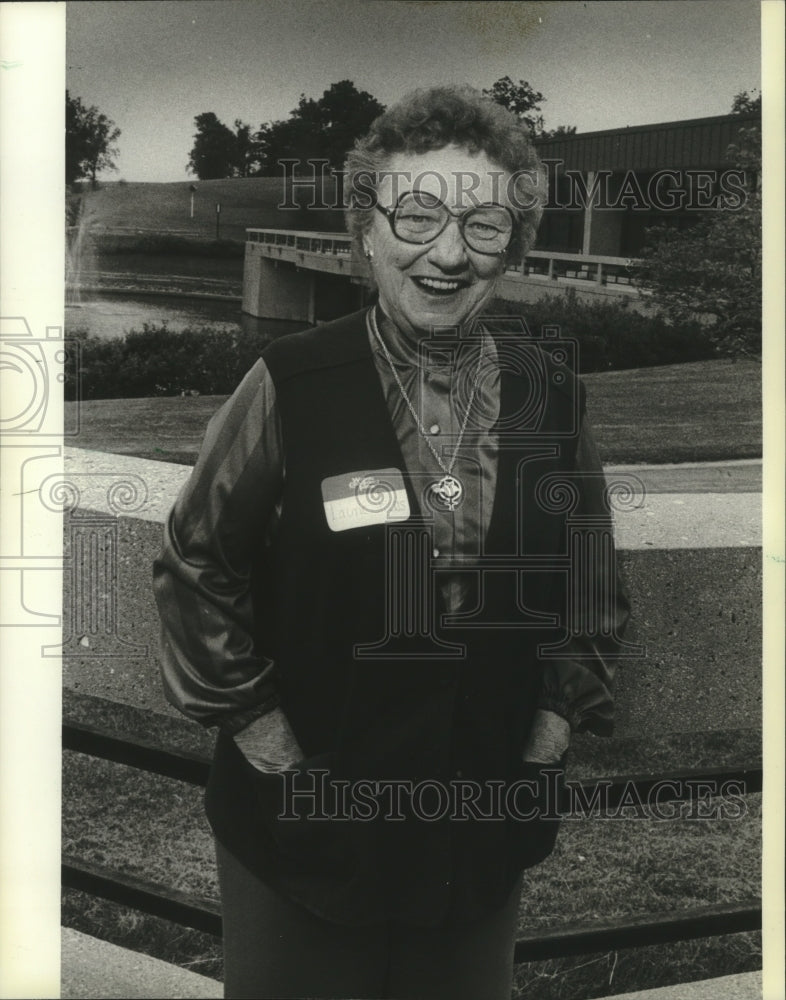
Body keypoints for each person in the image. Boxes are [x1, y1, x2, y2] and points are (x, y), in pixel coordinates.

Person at [153, 85, 629, 1000]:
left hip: (480, 827)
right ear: (365, 228)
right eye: (416, 214)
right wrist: (276, 754)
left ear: (512, 245)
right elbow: (195, 564)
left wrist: (543, 740)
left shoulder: (549, 396)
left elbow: (591, 589)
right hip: (305, 826)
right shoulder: (287, 382)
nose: (447, 253)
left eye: (484, 225)